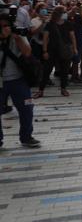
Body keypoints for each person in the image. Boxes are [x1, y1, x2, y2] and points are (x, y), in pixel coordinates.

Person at [0, 13, 40, 148]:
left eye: (6, 26)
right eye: (1, 26)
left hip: (18, 80)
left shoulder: (17, 36)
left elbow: (27, 53)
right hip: (1, 82)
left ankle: (27, 136)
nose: (3, 29)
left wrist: (16, 38)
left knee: (27, 109)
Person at [34, 6, 77, 98]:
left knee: (64, 71)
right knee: (47, 71)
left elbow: (72, 36)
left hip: (65, 50)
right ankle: (41, 90)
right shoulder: (50, 24)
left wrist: (74, 48)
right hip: (52, 50)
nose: (66, 13)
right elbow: (45, 38)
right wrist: (45, 51)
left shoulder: (68, 23)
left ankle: (63, 89)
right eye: (64, 12)